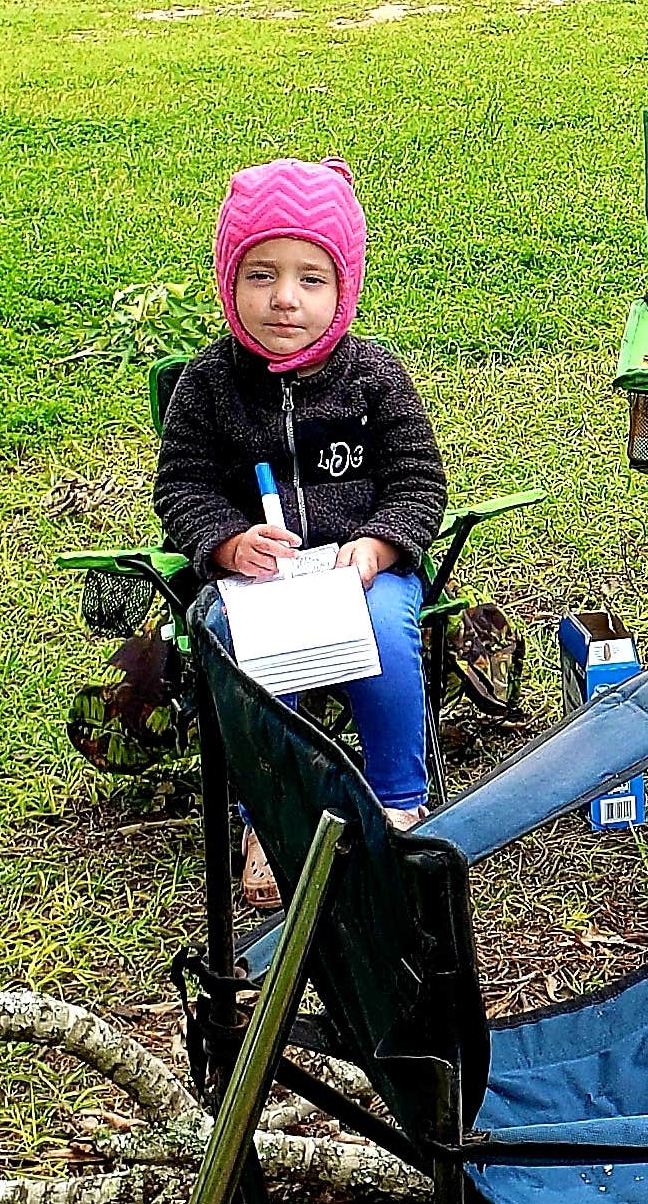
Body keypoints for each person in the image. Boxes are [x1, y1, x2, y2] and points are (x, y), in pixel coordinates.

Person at [155, 159, 446, 897]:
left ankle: (397, 804)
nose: (285, 299)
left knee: (386, 634)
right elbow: (181, 487)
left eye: (311, 279)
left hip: (361, 573)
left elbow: (419, 481)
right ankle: (270, 818)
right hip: (257, 582)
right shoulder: (207, 385)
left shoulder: (376, 378)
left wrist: (378, 545)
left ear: (344, 289)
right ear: (228, 281)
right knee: (247, 649)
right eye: (261, 275)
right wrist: (228, 542)